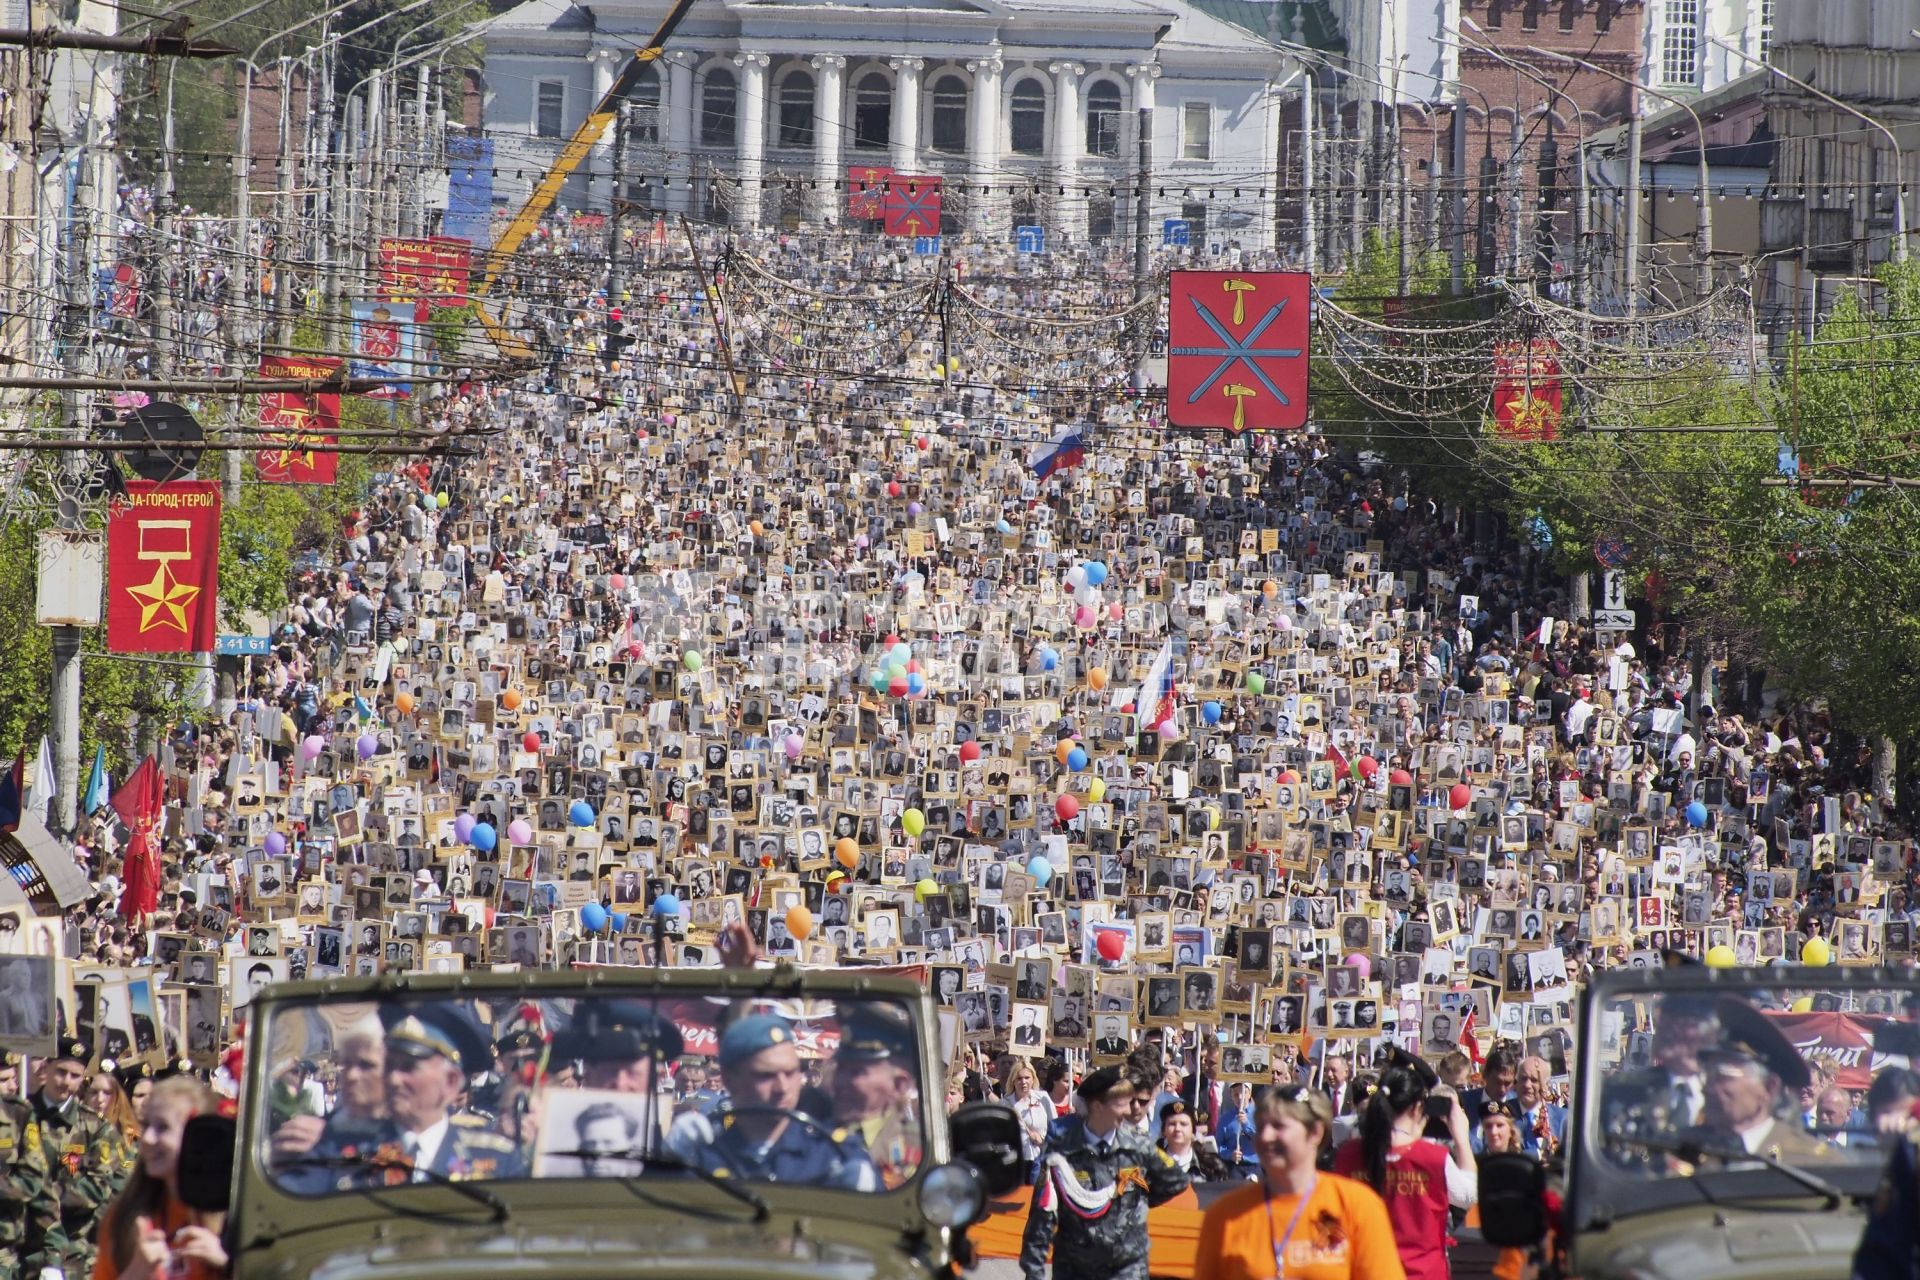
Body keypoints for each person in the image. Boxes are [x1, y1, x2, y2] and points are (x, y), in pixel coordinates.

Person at [1193, 1083, 1406, 1279]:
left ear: (1315, 1133)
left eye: (1278, 1126)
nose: (1265, 1136)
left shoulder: (1358, 1206)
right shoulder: (1225, 1216)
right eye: (1261, 1125)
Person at [1020, 1065, 1189, 1280]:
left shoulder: (1137, 1144)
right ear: (1098, 1106)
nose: (1130, 1111)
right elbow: (1041, 1219)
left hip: (1127, 1269)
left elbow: (1176, 1181)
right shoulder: (1062, 1151)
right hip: (1075, 1269)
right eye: (1122, 1104)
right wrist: (1034, 1273)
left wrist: (1138, 1199)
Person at [671, 1014, 878, 1190]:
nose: (782, 1088)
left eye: (790, 1073)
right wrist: (666, 1167)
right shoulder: (704, 1153)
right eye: (766, 1076)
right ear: (730, 1079)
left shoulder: (833, 1154)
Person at [1332, 1053, 1477, 1280]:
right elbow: (1469, 1195)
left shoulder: (1348, 1154)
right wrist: (1462, 1139)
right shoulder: (1432, 1157)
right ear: (1418, 1107)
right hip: (1421, 1272)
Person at [89, 1078, 226, 1280]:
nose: (147, 1138)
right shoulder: (123, 1219)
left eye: (163, 1127)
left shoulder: (234, 1219)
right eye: (146, 1125)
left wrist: (227, 1264)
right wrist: (136, 1272)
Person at [24, 1037, 131, 1277]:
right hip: (21, 1245)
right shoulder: (20, 1115)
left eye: (75, 1076)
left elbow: (98, 1186)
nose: (66, 1082)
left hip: (72, 1249)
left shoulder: (95, 1127)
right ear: (46, 1068)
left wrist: (46, 1196)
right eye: (61, 1072)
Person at [827, 1008, 922, 1189]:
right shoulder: (810, 1134)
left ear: (899, 1085)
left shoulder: (919, 1145)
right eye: (840, 1069)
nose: (840, 1082)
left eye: (857, 1072)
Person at [0, 1051, 49, 1275]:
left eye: (14, 1079)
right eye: (3, 1080)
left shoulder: (19, 1114)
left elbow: (33, 1178)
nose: (11, 1087)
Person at [1157, 1099, 1231, 1182]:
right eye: (1172, 1124)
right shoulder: (1151, 1164)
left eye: (1183, 1124)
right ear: (1164, 1130)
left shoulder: (1212, 1167)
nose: (1177, 1129)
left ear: (1193, 1131)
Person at [1005, 1060, 1052, 1178]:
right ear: (1013, 1081)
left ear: (1033, 1079)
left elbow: (1055, 1127)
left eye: (1027, 1077)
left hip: (1039, 1159)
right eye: (1019, 1078)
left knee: (1036, 1195)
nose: (1023, 1082)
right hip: (1015, 1163)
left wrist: (1042, 1140)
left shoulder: (1043, 1099)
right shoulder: (1005, 1104)